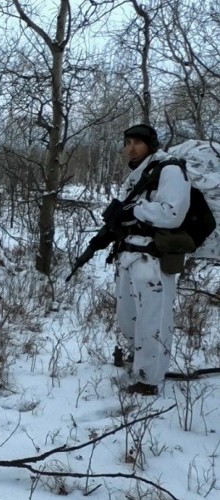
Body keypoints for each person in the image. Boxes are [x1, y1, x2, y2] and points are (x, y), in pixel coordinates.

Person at [89, 124, 190, 396]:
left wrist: (137, 209)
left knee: (153, 319)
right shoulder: (137, 174)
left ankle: (149, 379)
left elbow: (173, 214)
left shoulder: (169, 170)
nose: (131, 147)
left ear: (151, 144)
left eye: (137, 142)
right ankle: (139, 360)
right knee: (128, 318)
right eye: (127, 142)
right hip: (128, 254)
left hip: (153, 256)